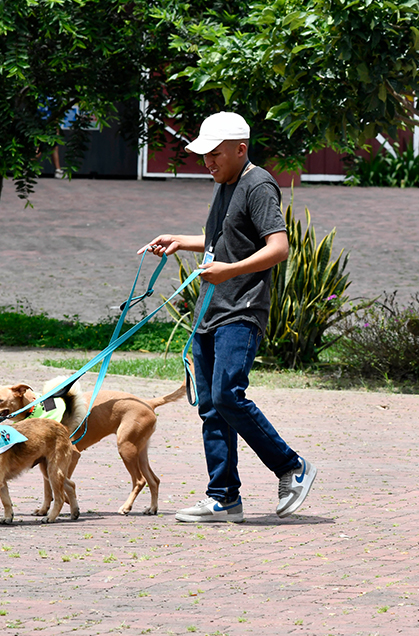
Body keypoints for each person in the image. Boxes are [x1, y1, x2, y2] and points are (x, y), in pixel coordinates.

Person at [139, 111, 317, 523]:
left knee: (226, 396)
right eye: (204, 155)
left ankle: (292, 466)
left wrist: (230, 271)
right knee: (210, 408)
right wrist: (180, 240)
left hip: (241, 310)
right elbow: (224, 239)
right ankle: (223, 499)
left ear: (240, 149)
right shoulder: (225, 184)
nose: (208, 162)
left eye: (215, 154)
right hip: (210, 309)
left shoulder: (258, 184)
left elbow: (278, 247)